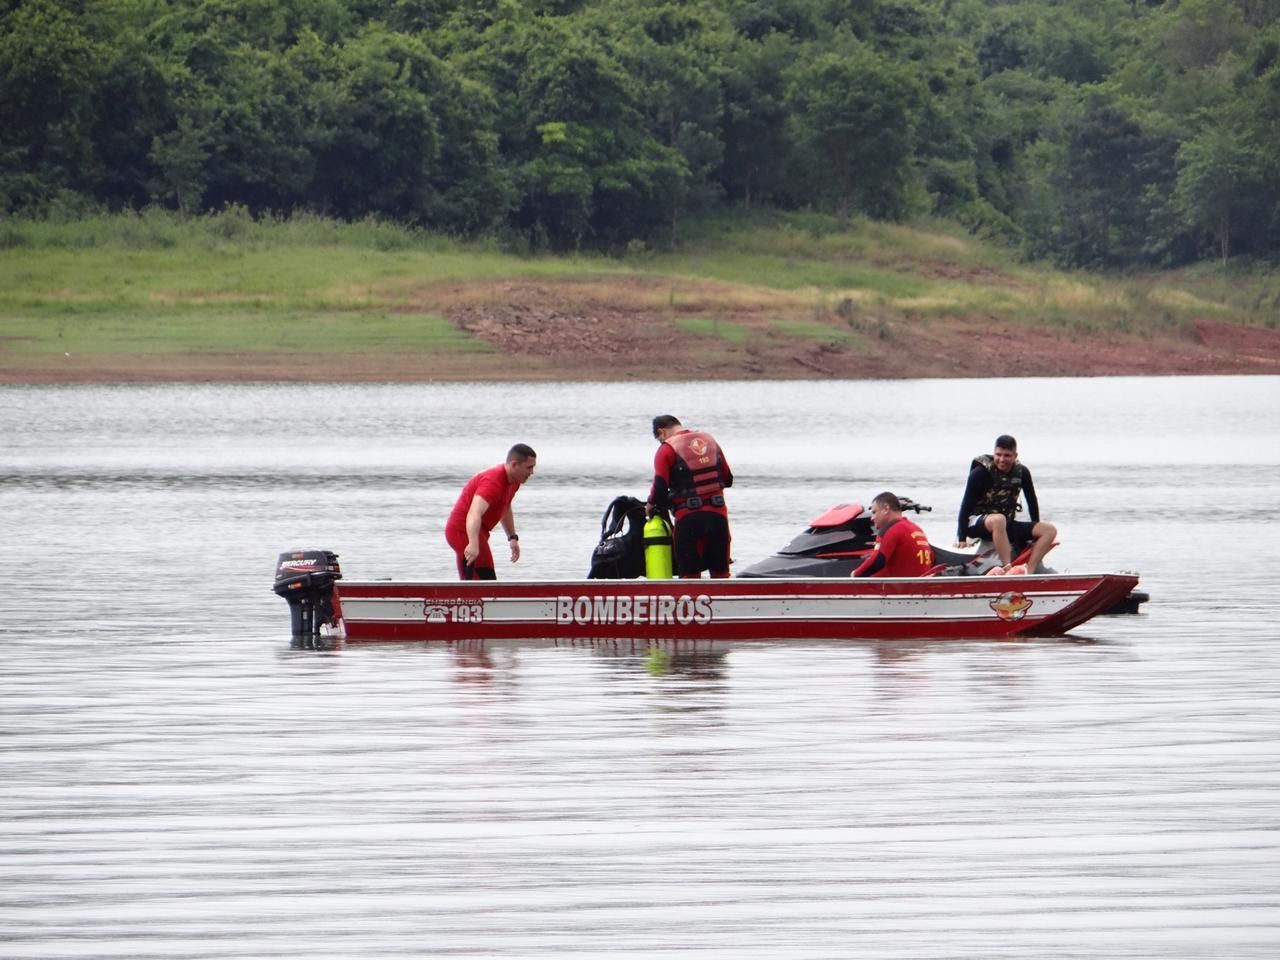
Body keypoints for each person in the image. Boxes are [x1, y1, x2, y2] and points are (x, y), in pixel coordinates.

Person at [955, 434, 1058, 573]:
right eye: (998, 455)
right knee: (999, 519)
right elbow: (965, 506)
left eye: (1007, 455)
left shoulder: (1022, 472)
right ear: (994, 453)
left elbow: (1032, 501)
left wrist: (1035, 533)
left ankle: (1030, 571)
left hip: (1005, 525)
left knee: (1049, 530)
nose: (1002, 459)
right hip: (977, 523)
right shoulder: (980, 473)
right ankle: (1007, 568)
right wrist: (961, 537)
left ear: (1015, 456)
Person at [646, 415, 733, 579]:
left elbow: (660, 487)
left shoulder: (666, 449)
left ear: (661, 432)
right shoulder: (709, 440)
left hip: (688, 520)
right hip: (718, 518)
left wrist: (650, 505)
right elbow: (727, 479)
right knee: (721, 574)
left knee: (689, 577)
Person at [444, 443, 537, 580]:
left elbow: (505, 507)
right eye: (529, 467)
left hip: (476, 531)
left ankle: (463, 599)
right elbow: (474, 512)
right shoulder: (492, 482)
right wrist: (473, 543)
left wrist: (512, 537)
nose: (532, 472)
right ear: (514, 464)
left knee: (470, 580)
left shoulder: (514, 481)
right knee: (485, 575)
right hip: (462, 529)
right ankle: (478, 600)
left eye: (533, 467)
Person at [851, 492, 935, 577]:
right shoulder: (917, 529)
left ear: (886, 509)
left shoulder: (890, 529)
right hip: (919, 585)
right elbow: (932, 560)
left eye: (874, 512)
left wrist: (855, 575)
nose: (872, 518)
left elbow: (878, 560)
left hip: (900, 588)